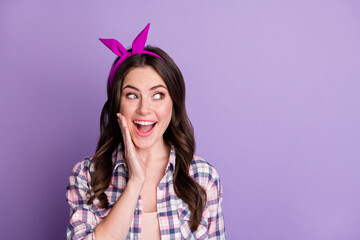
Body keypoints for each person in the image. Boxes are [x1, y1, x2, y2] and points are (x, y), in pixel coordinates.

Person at [66, 23, 225, 240]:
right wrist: (134, 183)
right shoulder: (88, 176)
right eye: (132, 95)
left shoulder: (202, 177)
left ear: (174, 103)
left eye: (158, 95)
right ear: (117, 105)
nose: (144, 109)